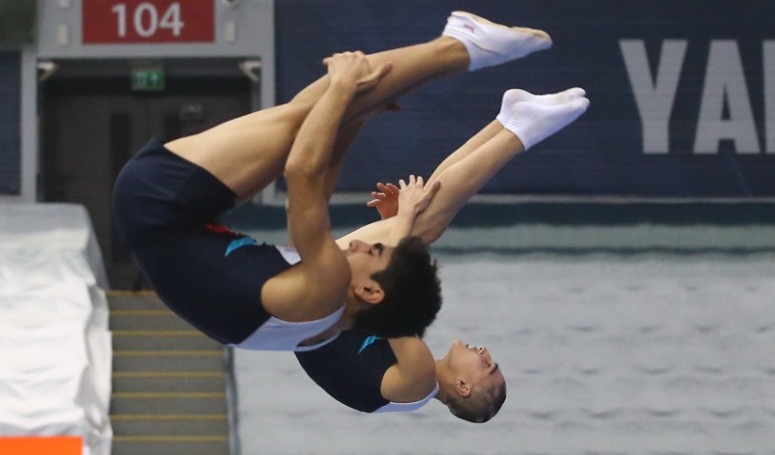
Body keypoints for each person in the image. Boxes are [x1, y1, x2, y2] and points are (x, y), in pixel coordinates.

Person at [112, 11, 554, 351]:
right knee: (415, 221)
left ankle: (460, 46)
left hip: (155, 200)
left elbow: (302, 173)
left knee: (304, 117)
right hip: (179, 224)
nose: (359, 244)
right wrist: (353, 121)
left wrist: (343, 90)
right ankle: (515, 125)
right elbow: (317, 195)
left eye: (373, 253)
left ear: (369, 290)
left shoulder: (325, 290)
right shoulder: (328, 320)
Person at [296, 87, 590, 421]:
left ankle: (518, 129)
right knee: (421, 224)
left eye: (487, 366)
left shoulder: (418, 381)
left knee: (423, 225)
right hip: (316, 299)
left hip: (310, 299)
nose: (485, 352)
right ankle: (507, 120)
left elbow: (390, 287)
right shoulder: (411, 379)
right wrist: (393, 223)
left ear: (463, 386)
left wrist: (403, 217)